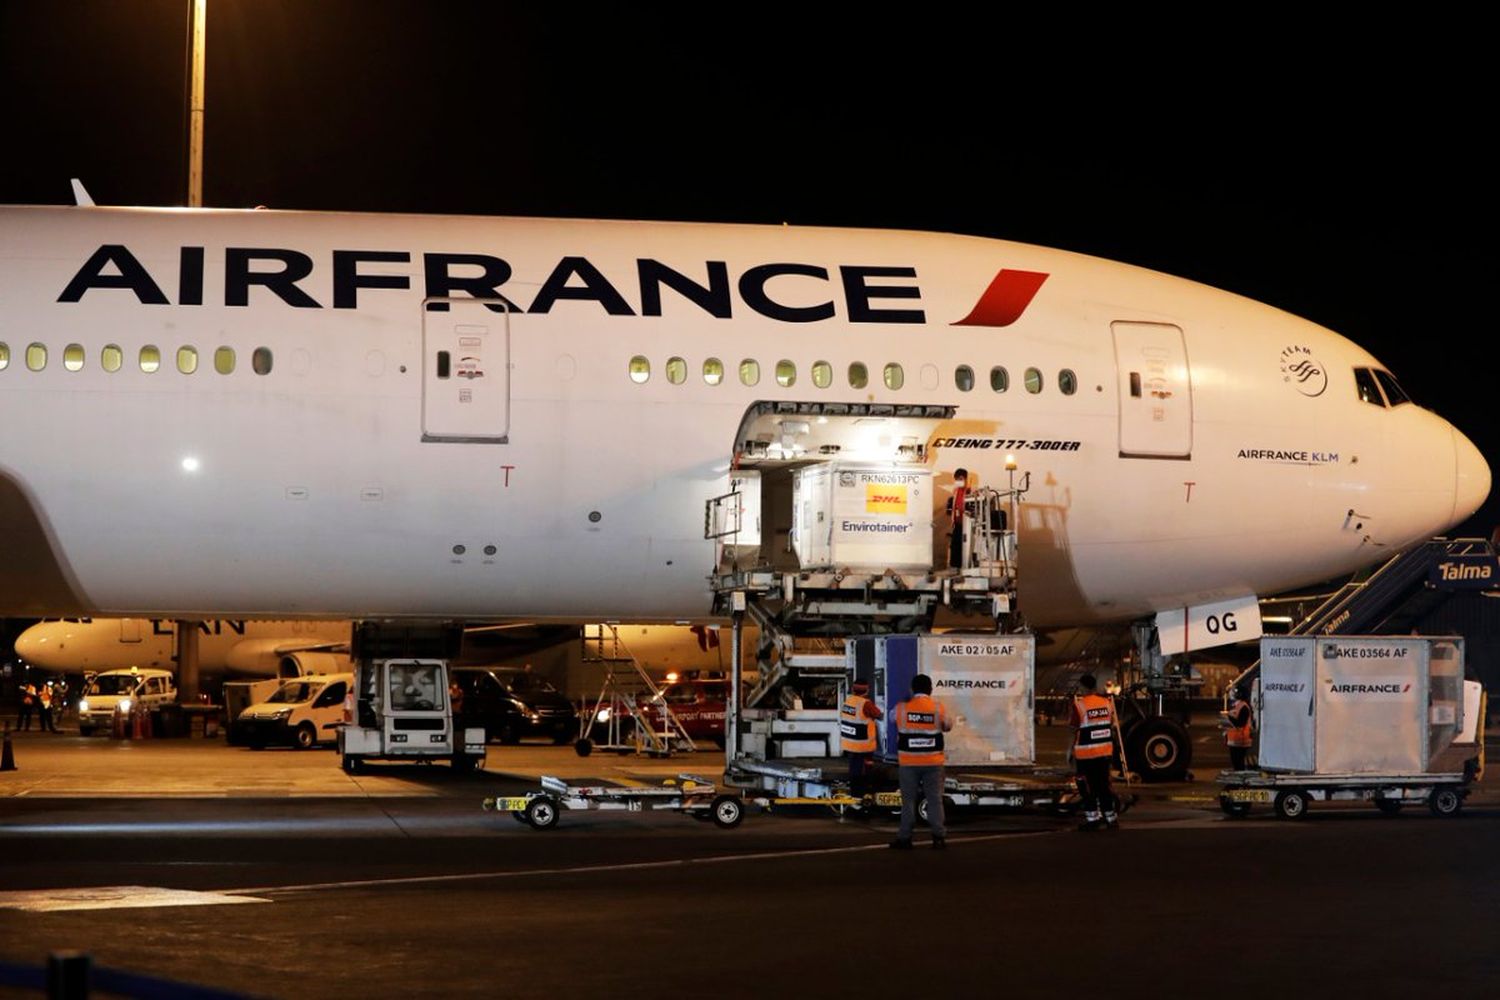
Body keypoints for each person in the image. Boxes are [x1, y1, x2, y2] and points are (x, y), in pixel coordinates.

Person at [890, 673, 953, 850]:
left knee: (908, 801)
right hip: (933, 763)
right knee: (934, 800)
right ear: (930, 689)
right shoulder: (938, 708)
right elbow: (948, 726)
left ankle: (905, 838)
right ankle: (938, 837)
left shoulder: (901, 709)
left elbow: (891, 718)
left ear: (912, 689)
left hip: (908, 764)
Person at [1070, 673, 1119, 831]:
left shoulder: (1080, 705)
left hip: (1086, 754)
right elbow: (1110, 724)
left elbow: (1073, 727)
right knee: (1104, 786)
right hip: (1104, 752)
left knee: (1087, 787)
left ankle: (1093, 819)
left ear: (1083, 688)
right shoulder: (1106, 703)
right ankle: (1111, 818)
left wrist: (1070, 751)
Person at [839, 679, 883, 797]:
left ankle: (855, 793)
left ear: (853, 690)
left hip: (849, 743)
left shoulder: (848, 701)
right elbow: (879, 715)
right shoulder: (866, 704)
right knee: (863, 770)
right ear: (867, 690)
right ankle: (862, 794)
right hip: (862, 745)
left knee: (854, 769)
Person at [1221, 685, 1253, 770]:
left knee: (1239, 764)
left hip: (1241, 741)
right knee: (1236, 764)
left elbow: (1240, 723)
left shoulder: (1243, 707)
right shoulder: (1237, 706)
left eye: (1235, 692)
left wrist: (1228, 717)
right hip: (1234, 741)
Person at [946, 468, 969, 570]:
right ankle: (955, 567)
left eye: (960, 479)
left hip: (966, 524)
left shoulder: (969, 491)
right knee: (955, 545)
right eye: (956, 479)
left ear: (964, 478)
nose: (958, 481)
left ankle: (962, 567)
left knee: (962, 546)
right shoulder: (956, 491)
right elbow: (955, 505)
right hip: (957, 523)